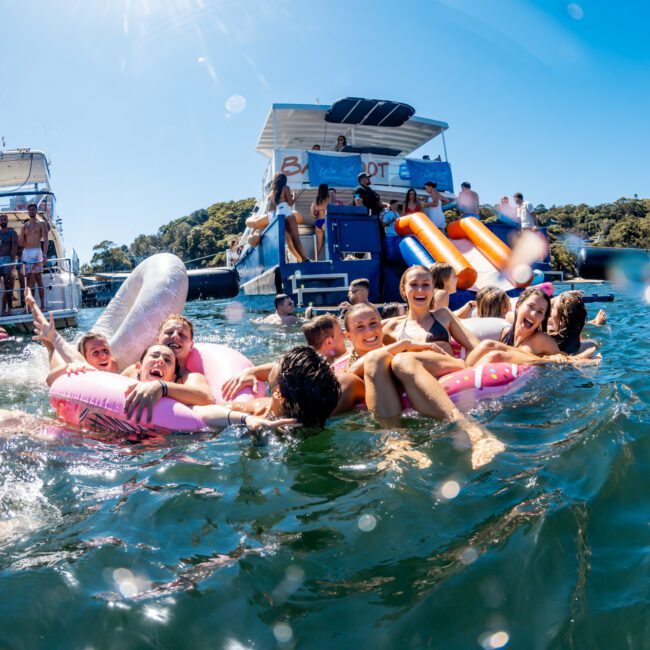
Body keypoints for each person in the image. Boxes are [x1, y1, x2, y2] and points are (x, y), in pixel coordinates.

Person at [340, 302, 504, 467]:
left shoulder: (395, 344)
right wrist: (404, 344)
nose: (369, 331)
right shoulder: (351, 366)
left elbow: (462, 364)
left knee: (400, 359)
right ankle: (397, 441)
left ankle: (473, 430)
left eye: (373, 323)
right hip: (393, 371)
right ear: (348, 336)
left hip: (430, 363)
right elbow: (355, 370)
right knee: (379, 360)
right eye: (360, 327)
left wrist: (405, 347)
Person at [217, 346, 347, 427]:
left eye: (279, 362)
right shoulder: (319, 407)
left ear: (278, 393)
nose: (274, 364)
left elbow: (204, 412)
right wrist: (252, 371)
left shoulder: (257, 418)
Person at [383, 266, 480, 356]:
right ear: (403, 289)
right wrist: (405, 345)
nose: (420, 290)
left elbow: (476, 346)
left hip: (447, 369)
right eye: (413, 284)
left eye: (426, 284)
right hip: (410, 370)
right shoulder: (392, 326)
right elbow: (376, 358)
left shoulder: (444, 315)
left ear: (433, 288)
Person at [268, 173, 310, 263]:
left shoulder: (273, 192)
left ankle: (300, 259)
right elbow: (290, 203)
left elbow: (273, 207)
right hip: (287, 212)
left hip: (279, 213)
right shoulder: (285, 188)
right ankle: (305, 259)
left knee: (289, 239)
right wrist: (294, 196)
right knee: (296, 237)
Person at [548, 291, 598, 357]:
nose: (550, 312)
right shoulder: (590, 346)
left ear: (562, 321)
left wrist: (559, 297)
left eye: (552, 309)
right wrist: (561, 296)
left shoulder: (546, 343)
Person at [19, 203, 48, 311]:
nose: (31, 211)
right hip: (26, 253)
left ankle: (43, 305)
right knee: (28, 280)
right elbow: (21, 243)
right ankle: (30, 307)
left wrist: (44, 254)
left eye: (33, 209)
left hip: (36, 252)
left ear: (36, 210)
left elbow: (45, 240)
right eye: (30, 209)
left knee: (38, 278)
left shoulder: (41, 223)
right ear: (28, 211)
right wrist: (22, 231)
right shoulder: (25, 225)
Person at [0, 213, 19, 316]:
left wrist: (12, 262)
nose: (2, 221)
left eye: (4, 219)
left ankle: (9, 309)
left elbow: (15, 247)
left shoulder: (12, 233)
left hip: (8, 259)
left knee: (8, 286)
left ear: (7, 221)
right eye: (1, 219)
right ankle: (2, 310)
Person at [311, 183, 329, 258]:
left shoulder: (315, 201)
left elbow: (312, 215)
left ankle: (314, 260)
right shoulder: (327, 200)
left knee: (319, 245)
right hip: (325, 222)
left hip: (318, 222)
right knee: (329, 242)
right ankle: (330, 259)